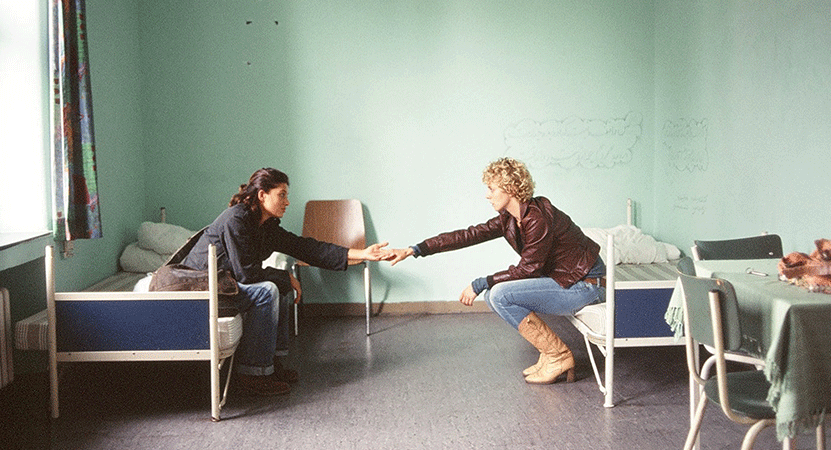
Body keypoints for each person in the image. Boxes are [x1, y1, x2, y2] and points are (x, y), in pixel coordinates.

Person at [388, 157, 604, 384]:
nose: (487, 195)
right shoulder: (511, 219)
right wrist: (415, 249)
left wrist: (480, 282)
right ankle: (552, 352)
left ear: (510, 188)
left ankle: (558, 356)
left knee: (499, 293)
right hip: (568, 283)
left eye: (491, 188)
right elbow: (467, 235)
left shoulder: (537, 217)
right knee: (494, 295)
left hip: (587, 286)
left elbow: (528, 269)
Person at [180, 168, 392, 396]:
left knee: (278, 285)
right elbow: (246, 274)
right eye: (281, 195)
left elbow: (305, 248)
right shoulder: (237, 218)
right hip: (202, 290)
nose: (287, 202)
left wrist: (362, 253)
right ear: (262, 195)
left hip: (226, 285)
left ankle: (271, 364)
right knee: (267, 290)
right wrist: (285, 276)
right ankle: (253, 374)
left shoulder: (264, 225)